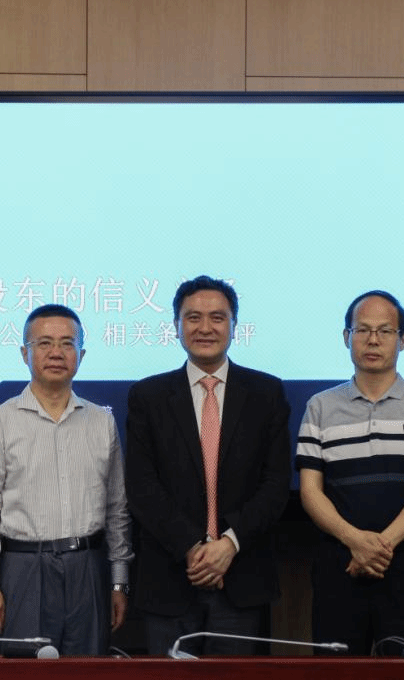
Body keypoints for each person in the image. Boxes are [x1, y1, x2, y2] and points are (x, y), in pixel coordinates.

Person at [125, 275, 291, 656]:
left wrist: (228, 545)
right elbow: (142, 487)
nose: (205, 328)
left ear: (234, 325)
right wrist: (193, 548)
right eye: (193, 317)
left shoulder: (266, 393)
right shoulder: (148, 396)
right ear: (176, 326)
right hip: (170, 580)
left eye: (217, 318)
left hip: (242, 579)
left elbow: (275, 484)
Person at [0, 304, 132, 656]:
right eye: (44, 343)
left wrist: (119, 582)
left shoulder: (101, 422)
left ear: (81, 355)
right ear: (24, 353)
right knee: (24, 672)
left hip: (88, 567)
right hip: (23, 569)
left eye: (67, 343)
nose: (56, 352)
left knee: (88, 671)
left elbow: (117, 510)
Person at [295, 290, 404, 657]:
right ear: (346, 337)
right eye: (362, 330)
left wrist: (381, 547)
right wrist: (355, 541)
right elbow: (310, 492)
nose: (373, 340)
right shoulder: (319, 407)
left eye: (385, 331)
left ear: (403, 339)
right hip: (340, 565)